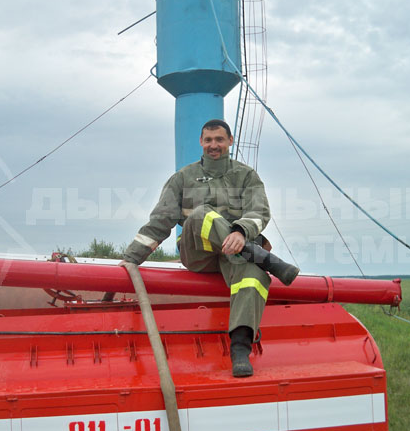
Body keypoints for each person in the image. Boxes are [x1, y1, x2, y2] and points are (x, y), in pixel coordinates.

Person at [122, 119, 299, 377]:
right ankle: (264, 257)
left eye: (219, 139)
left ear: (230, 141)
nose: (213, 145)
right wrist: (130, 259)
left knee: (254, 278)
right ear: (201, 142)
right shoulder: (182, 178)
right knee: (202, 214)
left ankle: (240, 350)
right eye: (208, 140)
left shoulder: (246, 176)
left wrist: (240, 231)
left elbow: (259, 211)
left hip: (234, 255)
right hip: (199, 253)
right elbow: (160, 221)